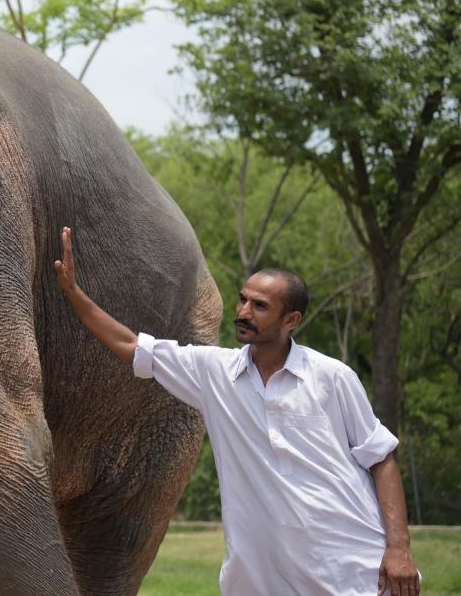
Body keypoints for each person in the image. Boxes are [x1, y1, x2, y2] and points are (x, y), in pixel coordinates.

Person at [53, 226, 419, 596]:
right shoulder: (215, 373)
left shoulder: (332, 378)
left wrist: (399, 549)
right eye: (243, 300)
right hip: (261, 581)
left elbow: (381, 460)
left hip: (353, 572)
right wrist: (73, 292)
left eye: (260, 306)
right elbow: (131, 345)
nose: (243, 312)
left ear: (291, 320)